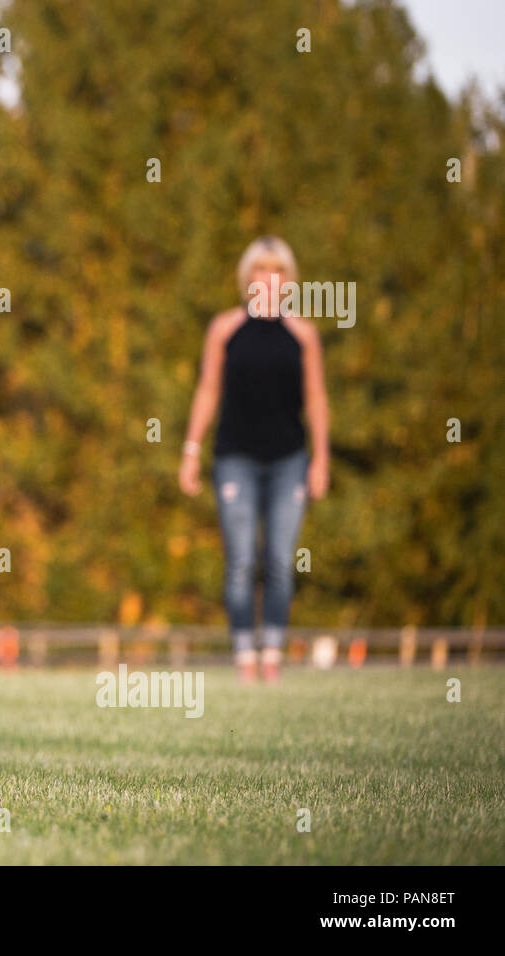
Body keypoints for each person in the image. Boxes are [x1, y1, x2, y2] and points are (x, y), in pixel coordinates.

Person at [179, 236, 330, 683]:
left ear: (288, 280)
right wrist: (191, 449)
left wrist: (320, 459)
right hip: (235, 458)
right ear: (247, 278)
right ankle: (245, 656)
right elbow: (207, 390)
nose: (269, 278)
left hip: (289, 461)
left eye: (278, 271)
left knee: (281, 561)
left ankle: (273, 655)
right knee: (241, 560)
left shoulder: (303, 335)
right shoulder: (224, 329)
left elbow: (316, 398)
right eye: (261, 270)